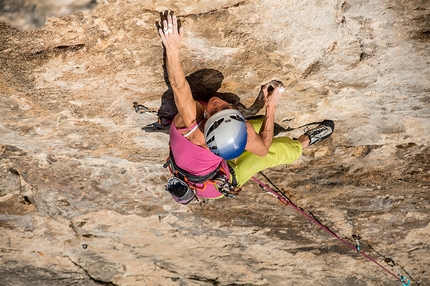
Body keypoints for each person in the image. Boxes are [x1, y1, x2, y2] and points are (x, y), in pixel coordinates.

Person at [158, 11, 334, 203]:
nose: (216, 103)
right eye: (217, 110)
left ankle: (278, 131)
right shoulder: (219, 129)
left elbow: (179, 86)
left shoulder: (191, 121)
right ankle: (302, 143)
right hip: (214, 185)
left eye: (217, 110)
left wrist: (172, 47)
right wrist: (270, 104)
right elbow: (264, 152)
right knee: (262, 158)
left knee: (258, 128)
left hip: (199, 168)